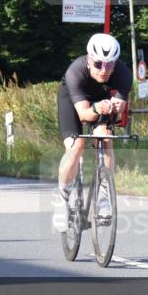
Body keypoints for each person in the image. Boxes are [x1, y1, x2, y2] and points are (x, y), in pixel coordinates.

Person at [52, 33, 132, 233]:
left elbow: (119, 110)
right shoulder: (75, 72)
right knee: (76, 146)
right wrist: (97, 108)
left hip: (100, 100)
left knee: (105, 137)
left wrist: (114, 108)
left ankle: (104, 198)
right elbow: (84, 115)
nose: (104, 70)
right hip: (74, 103)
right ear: (89, 60)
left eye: (110, 65)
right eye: (98, 64)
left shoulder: (123, 73)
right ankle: (62, 199)